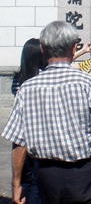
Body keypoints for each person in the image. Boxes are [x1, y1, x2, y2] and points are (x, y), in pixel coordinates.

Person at [2, 21, 91, 204]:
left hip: (46, 176)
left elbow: (19, 143)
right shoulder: (90, 84)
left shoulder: (27, 89)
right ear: (72, 49)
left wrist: (16, 185)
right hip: (84, 176)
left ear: (43, 50)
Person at [10, 38, 46, 204]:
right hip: (40, 134)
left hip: (24, 131)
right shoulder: (42, 77)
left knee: (27, 178)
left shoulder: (19, 78)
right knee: (37, 180)